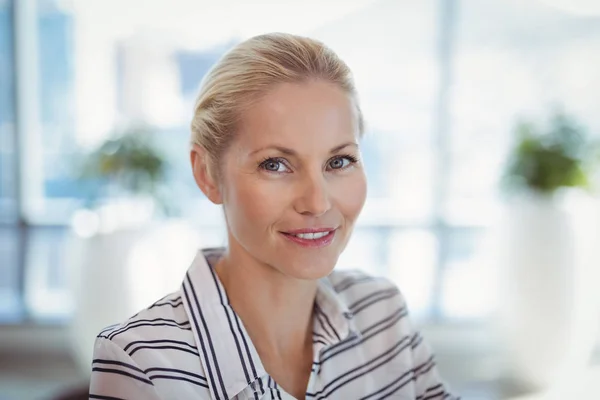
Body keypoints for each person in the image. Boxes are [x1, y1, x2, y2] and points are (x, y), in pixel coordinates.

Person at [89, 32, 459, 400]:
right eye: (275, 164)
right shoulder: (141, 362)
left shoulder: (383, 314)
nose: (317, 203)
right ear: (207, 174)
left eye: (339, 161)